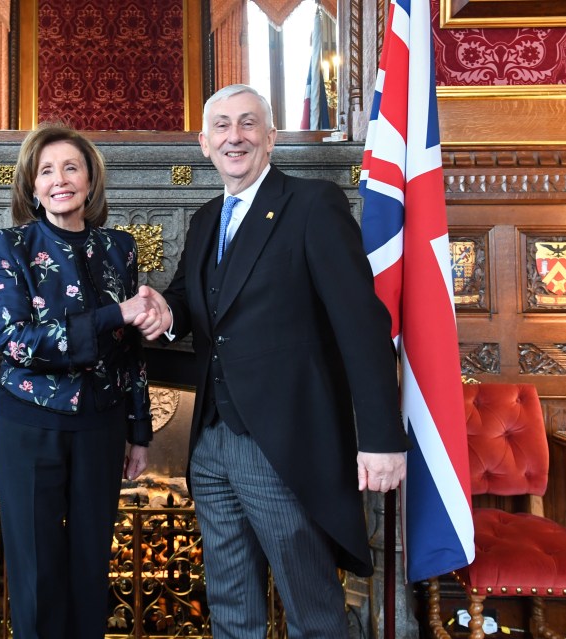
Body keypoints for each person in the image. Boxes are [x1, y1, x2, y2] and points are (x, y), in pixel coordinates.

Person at [132, 85, 411, 638]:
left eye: (248, 124)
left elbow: (363, 325)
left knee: (312, 611)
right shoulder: (207, 217)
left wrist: (381, 438)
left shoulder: (313, 205)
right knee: (232, 609)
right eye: (222, 127)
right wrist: (163, 312)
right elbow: (191, 301)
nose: (234, 136)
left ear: (270, 137)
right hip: (209, 444)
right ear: (204, 143)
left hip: (282, 446)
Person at [0, 123, 160, 639]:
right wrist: (114, 315)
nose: (59, 179)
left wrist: (140, 431)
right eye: (46, 171)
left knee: (90, 566)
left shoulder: (119, 247)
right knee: (36, 570)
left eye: (71, 167)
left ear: (89, 180)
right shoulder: (9, 244)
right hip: (28, 425)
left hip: (102, 426)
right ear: (32, 187)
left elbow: (133, 349)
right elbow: (16, 341)